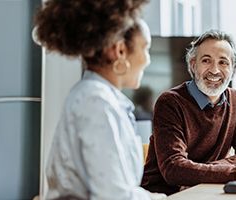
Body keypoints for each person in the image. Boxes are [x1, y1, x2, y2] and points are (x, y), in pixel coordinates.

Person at [34, 0, 165, 199]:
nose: (147, 59)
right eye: (145, 48)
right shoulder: (96, 102)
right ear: (120, 51)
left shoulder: (99, 97)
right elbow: (114, 196)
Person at [142, 30, 236, 195]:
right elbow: (173, 168)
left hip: (210, 189)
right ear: (192, 65)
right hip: (165, 195)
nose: (215, 70)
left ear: (233, 69)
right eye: (206, 60)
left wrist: (201, 174)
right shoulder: (170, 102)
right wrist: (235, 172)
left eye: (223, 62)